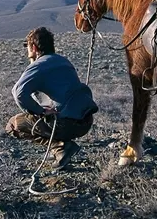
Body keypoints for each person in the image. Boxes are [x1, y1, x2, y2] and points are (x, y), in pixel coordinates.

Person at [6, 27, 98, 170]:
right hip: (85, 122)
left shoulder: (40, 65)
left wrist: (39, 112)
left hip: (66, 125)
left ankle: (60, 148)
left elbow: (18, 92)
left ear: (34, 47)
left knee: (13, 125)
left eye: (28, 46)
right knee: (51, 115)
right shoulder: (63, 61)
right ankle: (59, 146)